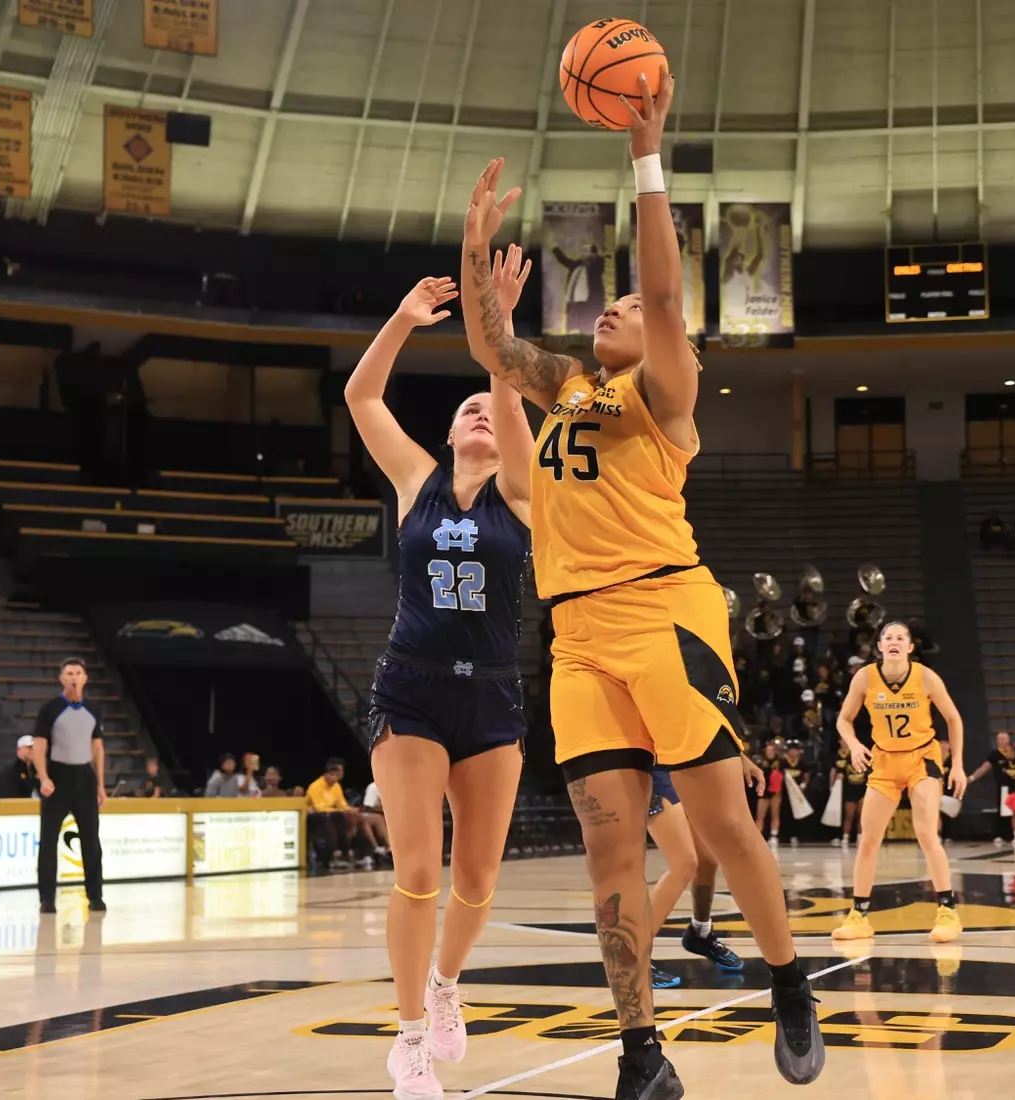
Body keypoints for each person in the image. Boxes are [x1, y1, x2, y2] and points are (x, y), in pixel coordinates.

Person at [460, 80, 824, 1099]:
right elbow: (492, 346)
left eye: (625, 307)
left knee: (719, 825)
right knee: (607, 853)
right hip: (576, 638)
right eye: (604, 304)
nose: (612, 308)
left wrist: (646, 161)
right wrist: (472, 248)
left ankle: (789, 983)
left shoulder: (664, 397)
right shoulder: (573, 394)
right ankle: (640, 1053)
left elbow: (664, 299)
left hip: (666, 612)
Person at [346, 251, 537, 1100]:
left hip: (492, 692)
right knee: (419, 870)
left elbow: (506, 393)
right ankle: (411, 1039)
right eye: (468, 408)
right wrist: (403, 319)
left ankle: (448, 989)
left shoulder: (523, 494)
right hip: (412, 687)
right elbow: (361, 397)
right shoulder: (416, 480)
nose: (480, 415)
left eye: (490, 408)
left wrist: (494, 336)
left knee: (477, 881)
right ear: (451, 433)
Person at [829, 621, 969, 944]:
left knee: (925, 831)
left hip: (922, 758)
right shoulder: (864, 677)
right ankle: (859, 916)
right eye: (888, 637)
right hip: (884, 761)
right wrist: (852, 745)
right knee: (868, 839)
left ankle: (947, 910)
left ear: (909, 647)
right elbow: (843, 720)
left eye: (900, 638)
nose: (893, 641)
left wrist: (958, 765)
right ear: (879, 647)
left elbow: (953, 718)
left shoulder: (925, 677)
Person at [643, 762, 754, 990]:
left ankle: (700, 933)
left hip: (682, 767)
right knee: (684, 863)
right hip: (649, 767)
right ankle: (633, 956)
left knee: (707, 862)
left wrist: (740, 757)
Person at [34, 658, 106, 914]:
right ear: (61, 678)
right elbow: (39, 745)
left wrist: (100, 785)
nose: (74, 677)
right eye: (69, 673)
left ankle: (95, 896)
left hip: (84, 778)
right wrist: (43, 777)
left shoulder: (94, 709)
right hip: (58, 776)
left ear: (85, 678)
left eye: (78, 673)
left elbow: (97, 747)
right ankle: (47, 899)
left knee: (91, 840)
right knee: (49, 839)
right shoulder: (50, 709)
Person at [967, 731, 1015, 847]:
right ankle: (1003, 835)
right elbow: (984, 768)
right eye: (999, 739)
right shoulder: (995, 754)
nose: (1002, 741)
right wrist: (971, 778)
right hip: (1004, 787)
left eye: (1004, 739)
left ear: (1009, 740)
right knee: (1005, 812)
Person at [305, 758, 363, 870]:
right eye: (332, 775)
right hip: (314, 817)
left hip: (331, 814)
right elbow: (319, 808)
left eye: (336, 775)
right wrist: (340, 811)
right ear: (326, 774)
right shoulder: (316, 786)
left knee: (350, 817)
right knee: (335, 818)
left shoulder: (336, 786)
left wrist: (350, 810)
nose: (335, 778)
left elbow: (341, 804)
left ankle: (347, 852)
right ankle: (331, 855)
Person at [831, 740, 867, 846]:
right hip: (850, 790)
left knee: (861, 816)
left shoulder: (865, 760)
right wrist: (834, 783)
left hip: (862, 790)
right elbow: (837, 772)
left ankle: (860, 837)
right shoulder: (844, 759)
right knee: (849, 815)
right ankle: (845, 837)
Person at [754, 739, 785, 842]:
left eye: (772, 750)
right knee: (760, 816)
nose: (770, 752)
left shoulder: (780, 762)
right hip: (764, 791)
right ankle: (757, 836)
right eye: (768, 750)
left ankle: (774, 835)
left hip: (776, 791)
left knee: (775, 814)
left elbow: (783, 777)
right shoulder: (761, 762)